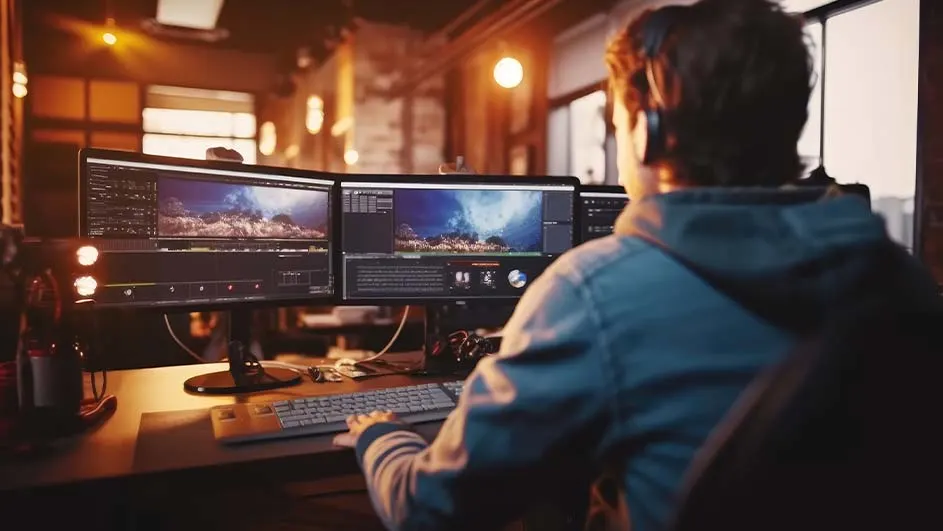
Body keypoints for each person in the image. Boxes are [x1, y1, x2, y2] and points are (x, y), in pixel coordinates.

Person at [335, 1, 939, 530]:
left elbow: (432, 510)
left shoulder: (593, 292)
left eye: (618, 124)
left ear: (647, 132)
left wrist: (381, 436)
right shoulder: (900, 281)